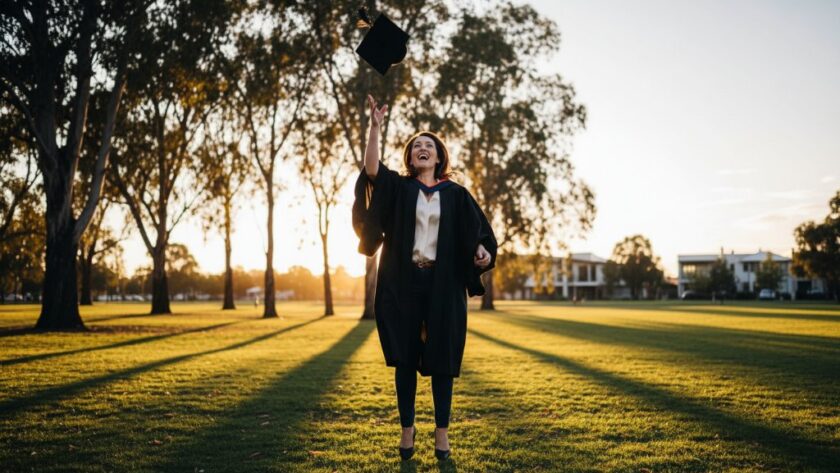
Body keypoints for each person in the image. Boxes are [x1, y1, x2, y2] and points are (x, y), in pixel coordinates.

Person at [352, 95, 497, 461]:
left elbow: (479, 234)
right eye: (416, 146)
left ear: (439, 156)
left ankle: (442, 436)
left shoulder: (456, 194)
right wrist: (374, 128)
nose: (422, 148)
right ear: (410, 157)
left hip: (443, 285)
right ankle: (407, 431)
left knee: (443, 358)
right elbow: (372, 171)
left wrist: (483, 252)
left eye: (428, 145)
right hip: (404, 281)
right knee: (404, 358)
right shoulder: (400, 188)